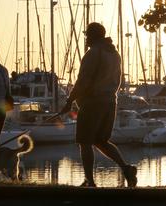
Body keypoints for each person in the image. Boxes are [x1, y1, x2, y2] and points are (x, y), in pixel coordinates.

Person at [59, 22, 138, 188]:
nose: (86, 39)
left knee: (85, 141)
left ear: (93, 36)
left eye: (87, 35)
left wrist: (69, 101)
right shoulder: (115, 54)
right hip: (110, 101)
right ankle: (126, 169)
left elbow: (83, 81)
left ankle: (90, 180)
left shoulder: (93, 53)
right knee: (101, 140)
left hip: (93, 103)